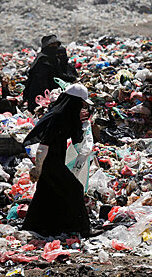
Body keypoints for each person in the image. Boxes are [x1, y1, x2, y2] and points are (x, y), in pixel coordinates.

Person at [22, 83, 93, 237]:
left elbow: (76, 138)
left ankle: (36, 226)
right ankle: (81, 229)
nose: (82, 108)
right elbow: (43, 145)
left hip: (54, 158)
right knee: (74, 188)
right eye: (81, 104)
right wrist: (38, 167)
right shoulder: (58, 116)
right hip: (49, 160)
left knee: (46, 192)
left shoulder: (64, 114)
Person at [22, 34, 62, 113]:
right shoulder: (42, 59)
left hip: (50, 91)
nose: (55, 47)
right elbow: (39, 78)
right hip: (39, 92)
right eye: (52, 45)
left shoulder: (54, 59)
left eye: (56, 45)